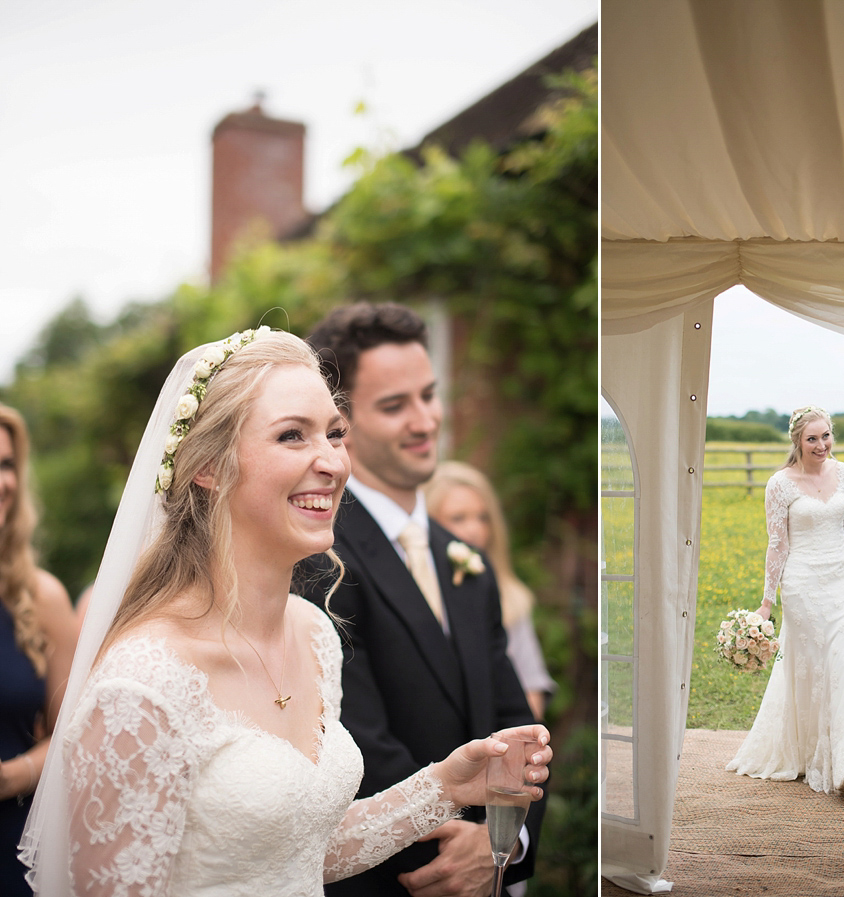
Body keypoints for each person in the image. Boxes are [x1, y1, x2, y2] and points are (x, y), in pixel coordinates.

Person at [17, 328, 550, 896]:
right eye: (292, 436)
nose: (333, 462)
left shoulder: (314, 633)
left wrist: (445, 785)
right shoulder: (143, 686)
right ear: (210, 467)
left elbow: (298, 850)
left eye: (335, 433)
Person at [302, 303, 543, 897]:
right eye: (394, 405)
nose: (425, 419)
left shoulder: (469, 561)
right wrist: (460, 844)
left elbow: (517, 726)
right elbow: (356, 743)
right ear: (340, 422)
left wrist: (505, 844)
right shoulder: (317, 561)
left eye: (428, 395)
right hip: (394, 880)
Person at [726, 406, 844, 793]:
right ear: (797, 441)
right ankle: (811, 752)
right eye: (812, 438)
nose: (821, 445)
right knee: (811, 667)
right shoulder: (779, 484)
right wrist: (766, 602)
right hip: (802, 583)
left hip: (842, 579)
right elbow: (777, 544)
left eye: (826, 436)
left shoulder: (842, 472)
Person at [0, 405, 78, 895]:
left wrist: (11, 777)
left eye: (6, 465)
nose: (2, 481)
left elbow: (73, 736)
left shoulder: (41, 597)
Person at [426, 461, 555, 721]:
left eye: (483, 517)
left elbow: (531, 689)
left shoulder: (513, 598)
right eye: (458, 518)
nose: (474, 529)